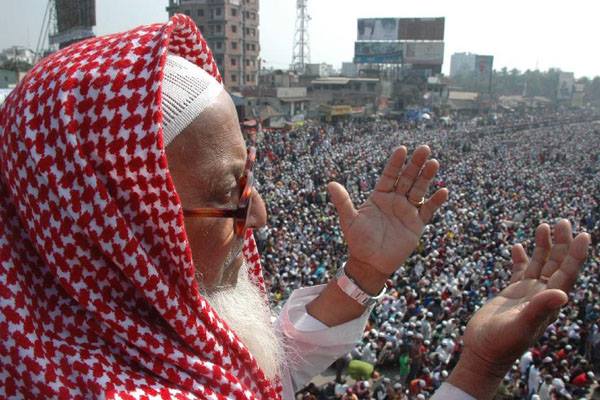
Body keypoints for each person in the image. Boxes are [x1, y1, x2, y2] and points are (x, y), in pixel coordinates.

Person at [0, 15, 592, 400]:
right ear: (110, 229)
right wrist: (479, 370)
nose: (256, 217)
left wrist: (362, 276)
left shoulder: (93, 342)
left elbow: (261, 373)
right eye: (226, 193)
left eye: (249, 177)